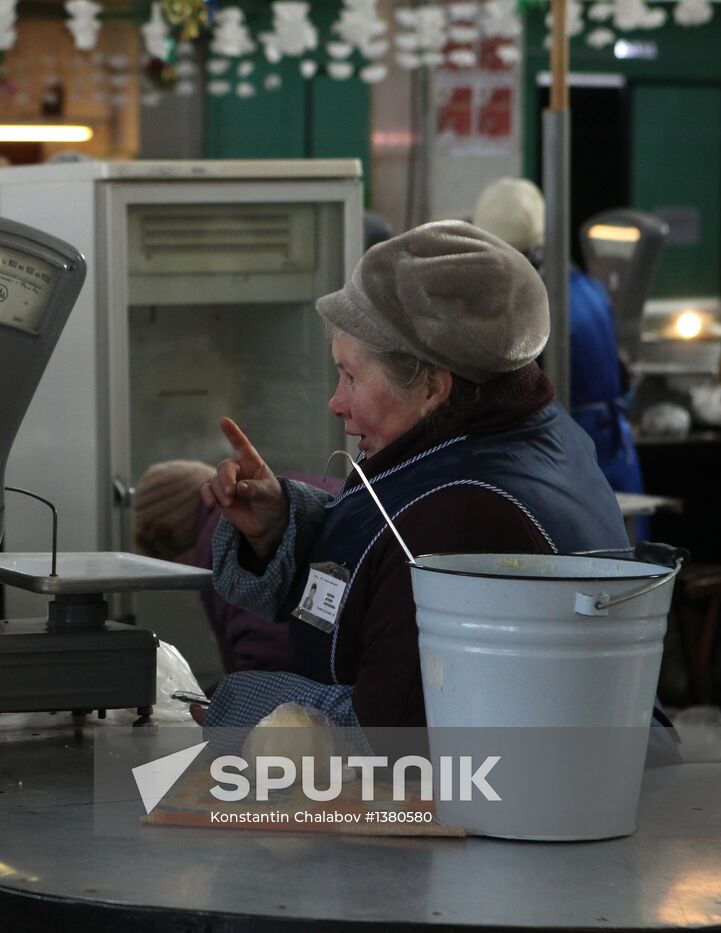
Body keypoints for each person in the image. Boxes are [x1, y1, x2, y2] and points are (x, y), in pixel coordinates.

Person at [199, 221, 629, 732]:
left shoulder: (461, 518)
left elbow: (389, 735)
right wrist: (280, 526)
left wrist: (224, 710)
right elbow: (375, 575)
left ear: (431, 387)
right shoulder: (522, 436)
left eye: (352, 377)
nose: (336, 403)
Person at [472, 177, 646, 502]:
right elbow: (622, 374)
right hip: (614, 452)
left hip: (568, 458)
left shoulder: (528, 304)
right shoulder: (587, 286)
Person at [133, 460, 289, 674]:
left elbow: (267, 659)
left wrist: (217, 703)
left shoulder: (224, 540)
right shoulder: (286, 494)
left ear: (175, 537)